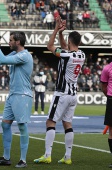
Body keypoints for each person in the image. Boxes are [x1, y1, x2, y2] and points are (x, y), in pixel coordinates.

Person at [34, 16, 85, 165]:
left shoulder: (67, 55)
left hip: (61, 93)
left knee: (50, 122)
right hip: (73, 94)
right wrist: (63, 34)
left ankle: (47, 155)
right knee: (67, 124)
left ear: (70, 42)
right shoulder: (81, 55)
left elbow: (50, 46)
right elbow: (65, 47)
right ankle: (68, 157)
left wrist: (56, 29)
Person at [0, 31, 33, 168]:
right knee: (5, 124)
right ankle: (6, 158)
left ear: (18, 42)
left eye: (11, 40)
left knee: (22, 126)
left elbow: (2, 60)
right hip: (13, 95)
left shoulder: (25, 55)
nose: (9, 42)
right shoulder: (15, 54)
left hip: (22, 95)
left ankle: (23, 160)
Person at [100, 58, 112, 168]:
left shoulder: (107, 68)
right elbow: (103, 87)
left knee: (111, 131)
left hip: (111, 99)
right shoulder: (107, 68)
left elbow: (104, 87)